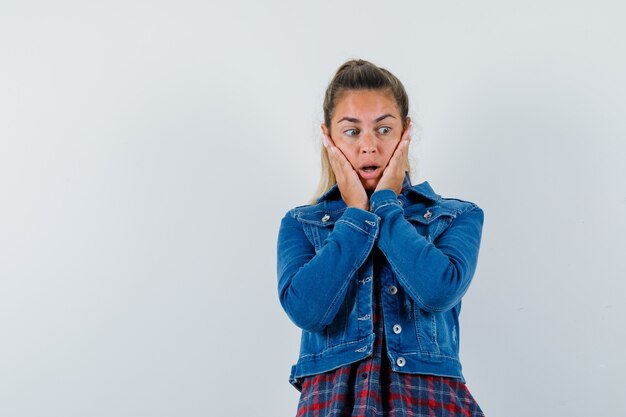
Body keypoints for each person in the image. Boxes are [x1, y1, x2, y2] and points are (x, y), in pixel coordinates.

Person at [276, 59, 486, 417]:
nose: (369, 146)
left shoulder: (458, 216)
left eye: (384, 130)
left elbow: (437, 291)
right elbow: (306, 311)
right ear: (328, 137)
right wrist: (357, 215)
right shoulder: (300, 223)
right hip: (331, 403)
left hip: (430, 403)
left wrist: (385, 206)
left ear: (406, 133)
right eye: (352, 131)